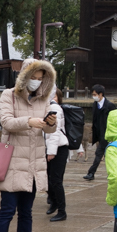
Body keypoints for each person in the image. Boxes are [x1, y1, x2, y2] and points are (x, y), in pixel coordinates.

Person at [0, 58, 58, 232]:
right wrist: (29, 122)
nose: (36, 81)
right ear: (24, 76)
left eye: (40, 78)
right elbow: (6, 122)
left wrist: (51, 123)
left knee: (26, 212)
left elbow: (49, 130)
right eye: (33, 77)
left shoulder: (43, 99)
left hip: (33, 165)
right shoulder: (8, 95)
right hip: (11, 163)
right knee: (7, 211)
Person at [44, 89, 73, 222]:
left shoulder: (54, 108)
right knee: (46, 179)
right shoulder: (46, 106)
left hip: (58, 148)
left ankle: (62, 211)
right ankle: (54, 201)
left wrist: (51, 151)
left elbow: (55, 131)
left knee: (56, 180)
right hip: (49, 148)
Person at [84, 84, 117, 181]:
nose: (93, 96)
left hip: (108, 134)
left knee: (101, 154)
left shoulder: (109, 105)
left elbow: (116, 118)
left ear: (101, 94)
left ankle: (91, 173)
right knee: (104, 155)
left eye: (95, 94)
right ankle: (112, 173)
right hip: (100, 134)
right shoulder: (95, 105)